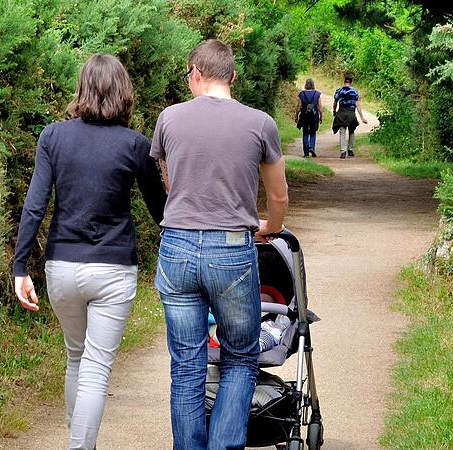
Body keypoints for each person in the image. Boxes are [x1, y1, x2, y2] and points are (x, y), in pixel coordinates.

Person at [12, 53, 167, 450]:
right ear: (124, 92)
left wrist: (20, 267)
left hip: (62, 267)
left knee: (76, 358)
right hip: (113, 270)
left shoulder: (53, 136)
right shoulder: (135, 145)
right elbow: (162, 213)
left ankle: (81, 442)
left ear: (82, 88)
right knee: (95, 369)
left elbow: (35, 205)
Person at [150, 39, 289, 450]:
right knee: (240, 357)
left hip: (176, 246)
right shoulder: (260, 123)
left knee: (187, 365)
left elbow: (172, 185)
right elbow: (278, 195)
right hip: (232, 249)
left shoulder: (168, 119)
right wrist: (271, 227)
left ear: (194, 72)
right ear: (233, 76)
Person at [332, 74, 368, 159]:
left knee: (342, 132)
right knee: (351, 131)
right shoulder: (354, 91)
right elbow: (357, 105)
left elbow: (335, 102)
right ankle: (350, 149)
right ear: (351, 82)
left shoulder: (339, 91)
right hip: (351, 113)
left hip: (341, 112)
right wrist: (362, 117)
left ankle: (343, 151)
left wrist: (334, 111)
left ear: (344, 81)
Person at [295, 78, 322, 157]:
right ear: (313, 84)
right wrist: (321, 116)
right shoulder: (317, 94)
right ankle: (312, 147)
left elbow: (299, 106)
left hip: (304, 116)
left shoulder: (302, 94)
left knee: (305, 133)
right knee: (313, 132)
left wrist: (296, 115)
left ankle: (306, 153)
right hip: (314, 115)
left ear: (306, 84)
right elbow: (320, 106)